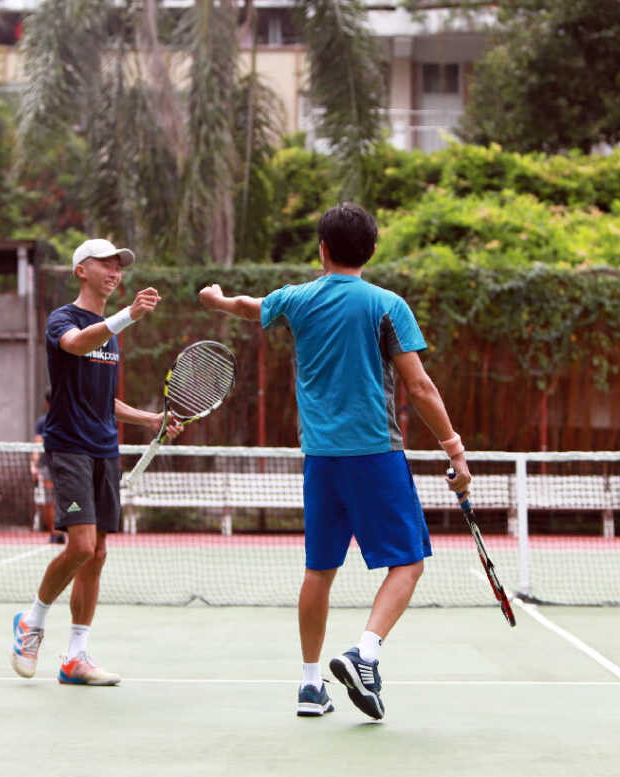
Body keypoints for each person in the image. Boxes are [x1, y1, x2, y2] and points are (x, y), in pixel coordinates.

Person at [199, 202, 471, 721]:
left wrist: (216, 299)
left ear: (321, 249)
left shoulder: (296, 300)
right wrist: (455, 449)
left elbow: (247, 305)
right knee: (408, 562)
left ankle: (308, 685)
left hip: (320, 459)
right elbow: (419, 385)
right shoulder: (387, 304)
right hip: (374, 454)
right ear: (371, 249)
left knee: (319, 570)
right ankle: (364, 655)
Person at [11, 238, 182, 686]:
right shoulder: (63, 320)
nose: (114, 272)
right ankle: (32, 621)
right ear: (80, 271)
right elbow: (76, 344)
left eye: (118, 266)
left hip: (105, 449)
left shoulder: (109, 333)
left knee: (98, 554)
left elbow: (104, 398)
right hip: (69, 446)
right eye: (104, 264)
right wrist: (128, 316)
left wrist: (151, 419)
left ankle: (76, 657)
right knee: (81, 546)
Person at [31, 387, 65, 544]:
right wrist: (34, 464)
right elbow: (38, 443)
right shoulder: (43, 423)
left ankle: (56, 532)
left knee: (52, 501)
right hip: (52, 466)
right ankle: (56, 532)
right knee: (53, 501)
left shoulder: (65, 421)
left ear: (46, 403)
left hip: (63, 466)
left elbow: (37, 444)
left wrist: (34, 464)